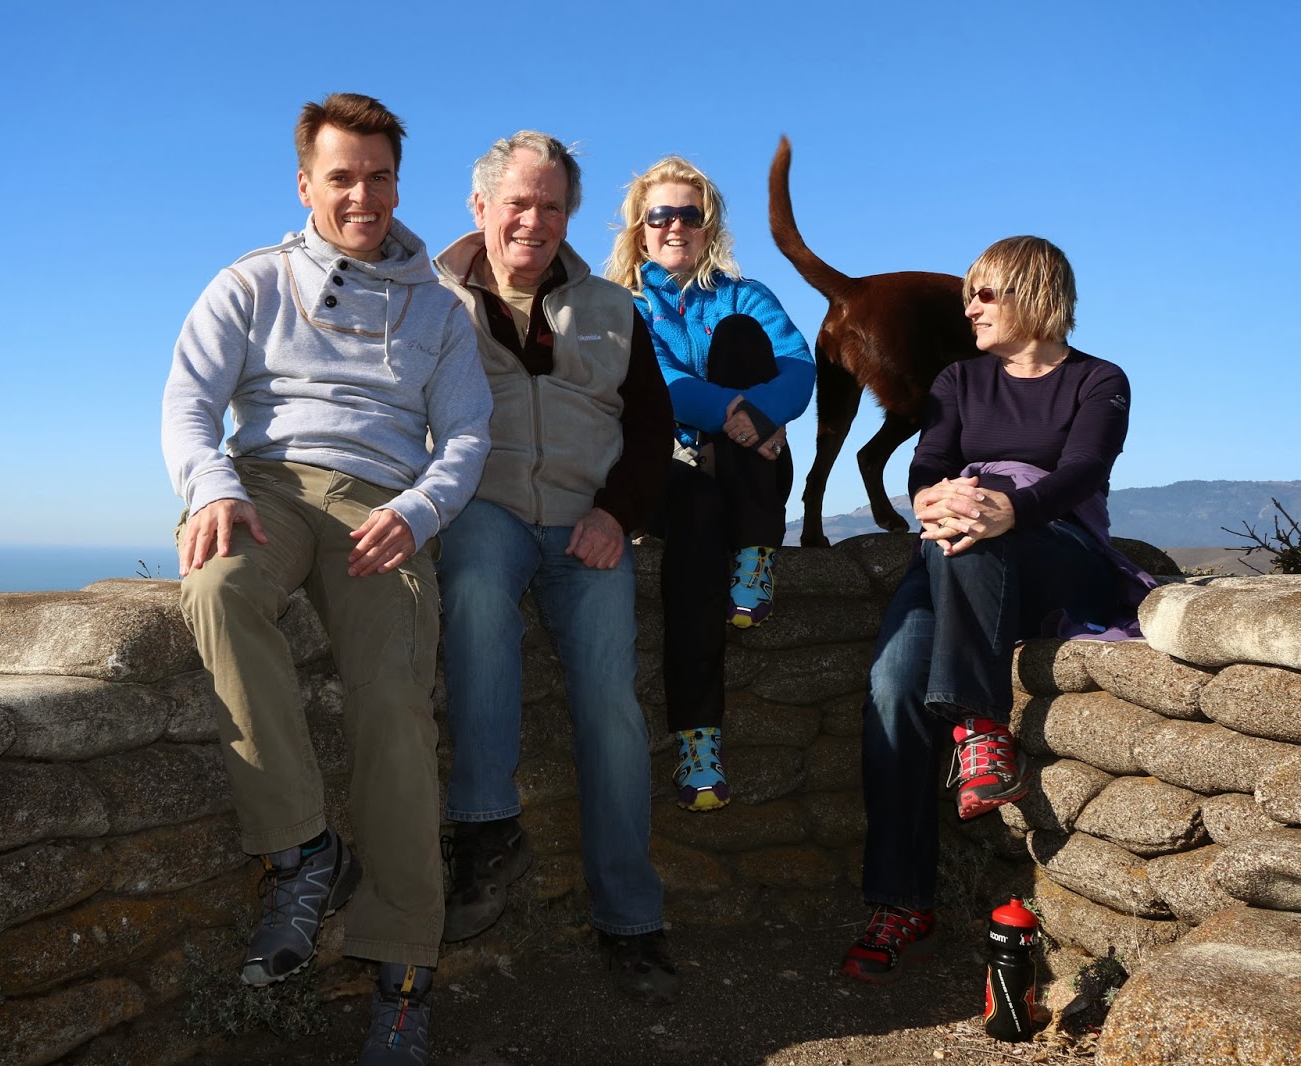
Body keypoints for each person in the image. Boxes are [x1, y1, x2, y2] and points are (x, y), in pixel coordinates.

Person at [161, 92, 493, 1063]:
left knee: (394, 707)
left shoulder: (439, 308)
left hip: (381, 505)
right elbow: (188, 401)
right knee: (217, 589)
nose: (362, 196)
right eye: (341, 177)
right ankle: (305, 850)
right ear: (305, 184)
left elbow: (466, 436)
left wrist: (419, 511)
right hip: (263, 485)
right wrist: (212, 485)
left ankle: (403, 974)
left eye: (379, 177)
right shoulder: (251, 282)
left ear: (399, 183)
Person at [842, 236, 1147, 983]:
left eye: (984, 294)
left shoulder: (1099, 379)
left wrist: (1010, 509)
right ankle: (903, 901)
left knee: (974, 524)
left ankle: (980, 727)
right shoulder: (959, 378)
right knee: (891, 687)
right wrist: (929, 498)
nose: (970, 308)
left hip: (1058, 548)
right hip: (956, 546)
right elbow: (929, 461)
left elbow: (1083, 470)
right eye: (968, 295)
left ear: (1033, 294)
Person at [431, 132, 680, 1002]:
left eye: (551, 205)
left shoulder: (613, 307)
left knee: (612, 705)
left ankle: (631, 921)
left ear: (569, 214)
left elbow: (651, 427)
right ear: (481, 208)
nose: (533, 221)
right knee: (472, 596)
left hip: (589, 520)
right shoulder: (428, 299)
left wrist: (618, 513)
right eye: (517, 203)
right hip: (483, 505)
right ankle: (485, 830)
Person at [605, 156, 813, 811]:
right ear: (639, 229)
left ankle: (755, 552)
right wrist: (735, 413)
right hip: (667, 469)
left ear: (708, 227)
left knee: (742, 337)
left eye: (689, 216)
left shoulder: (744, 294)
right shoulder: (622, 305)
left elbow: (798, 367)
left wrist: (758, 415)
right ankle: (699, 743)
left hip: (752, 464)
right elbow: (659, 380)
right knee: (696, 514)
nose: (675, 226)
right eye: (660, 215)